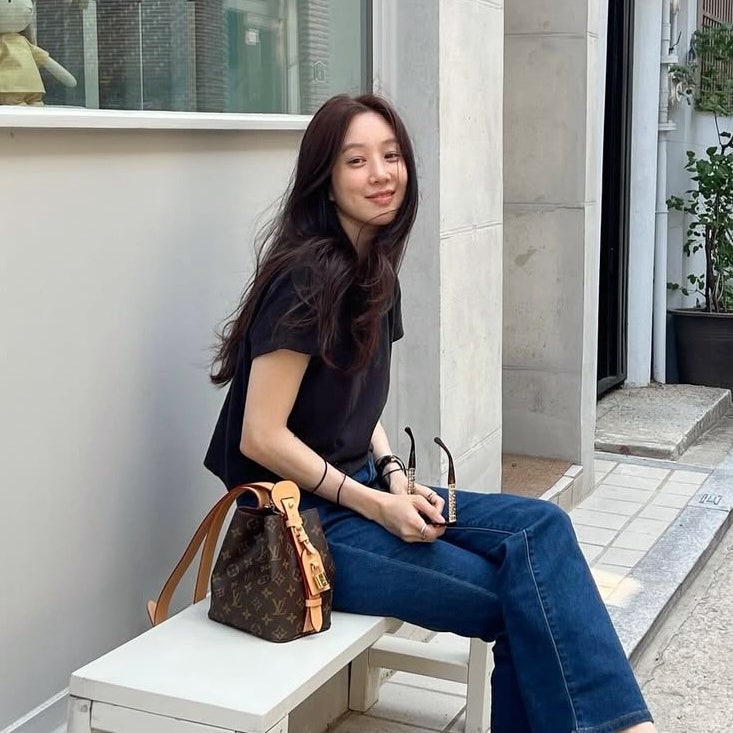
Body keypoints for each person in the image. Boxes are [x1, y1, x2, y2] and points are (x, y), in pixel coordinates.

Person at [204, 93, 657, 733]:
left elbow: (353, 401)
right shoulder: (306, 278)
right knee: (522, 600)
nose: (381, 174)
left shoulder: (373, 270)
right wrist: (374, 504)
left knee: (543, 528)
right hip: (301, 527)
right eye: (356, 160)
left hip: (363, 493)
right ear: (325, 180)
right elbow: (261, 435)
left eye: (391, 156)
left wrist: (393, 473)